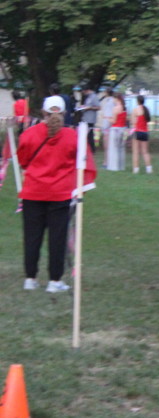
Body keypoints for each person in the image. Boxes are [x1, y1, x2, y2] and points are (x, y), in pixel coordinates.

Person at [18, 96, 96, 293]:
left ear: (43, 113)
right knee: (57, 238)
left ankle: (30, 278)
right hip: (59, 194)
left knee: (32, 237)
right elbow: (83, 162)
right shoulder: (73, 137)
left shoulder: (29, 134)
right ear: (64, 113)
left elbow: (23, 161)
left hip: (34, 192)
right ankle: (54, 280)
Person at [131, 95, 153, 174]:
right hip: (145, 132)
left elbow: (133, 122)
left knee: (136, 151)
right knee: (145, 152)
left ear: (137, 101)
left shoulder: (135, 110)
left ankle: (136, 169)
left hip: (137, 131)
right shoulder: (146, 109)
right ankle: (149, 169)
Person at [106, 92, 127, 171]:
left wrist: (107, 118)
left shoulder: (115, 108)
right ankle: (121, 166)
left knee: (114, 148)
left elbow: (114, 121)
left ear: (116, 99)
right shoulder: (124, 108)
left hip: (115, 129)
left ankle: (114, 166)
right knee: (121, 148)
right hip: (122, 129)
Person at [76, 85, 100, 152]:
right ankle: (88, 148)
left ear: (87, 90)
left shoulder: (94, 96)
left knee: (90, 135)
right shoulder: (88, 97)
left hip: (90, 119)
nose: (83, 93)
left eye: (84, 92)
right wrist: (83, 107)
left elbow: (98, 107)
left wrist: (89, 108)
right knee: (87, 135)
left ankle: (92, 149)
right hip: (86, 118)